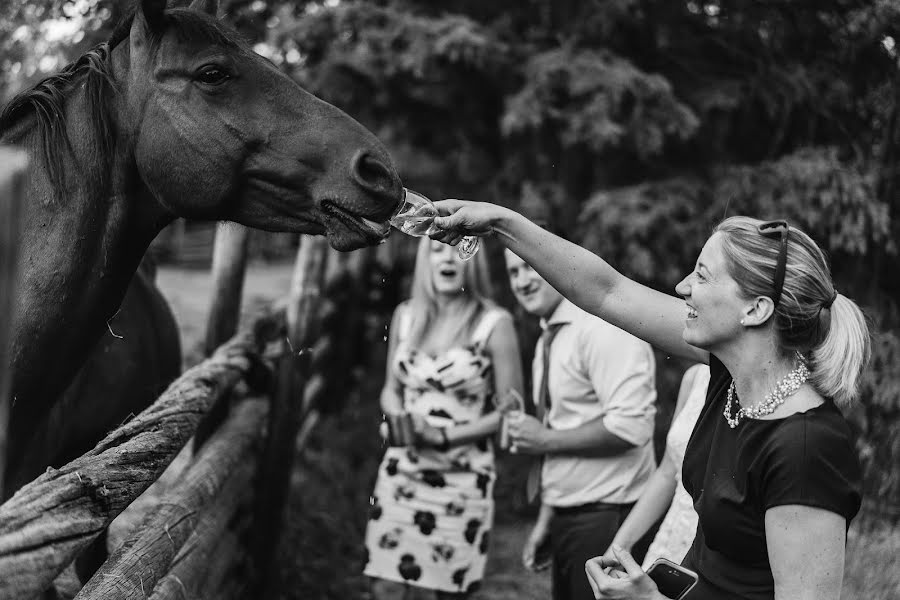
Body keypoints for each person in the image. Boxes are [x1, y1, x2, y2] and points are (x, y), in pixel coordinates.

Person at [429, 204, 868, 600]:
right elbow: (607, 292)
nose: (681, 287)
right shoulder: (728, 378)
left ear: (754, 311)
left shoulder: (806, 447)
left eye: (702, 275)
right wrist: (501, 223)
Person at [363, 237, 524, 599]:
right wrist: (397, 416)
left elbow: (512, 411)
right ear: (425, 260)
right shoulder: (405, 315)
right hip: (401, 473)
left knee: (449, 588)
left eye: (457, 249)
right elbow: (391, 388)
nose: (446, 257)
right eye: (436, 248)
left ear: (473, 263)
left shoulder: (494, 323)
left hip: (462, 480)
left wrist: (443, 436)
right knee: (385, 587)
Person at [503, 244, 658, 600]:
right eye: (514, 272)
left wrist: (542, 440)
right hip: (570, 514)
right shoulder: (553, 335)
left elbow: (630, 427)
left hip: (610, 519)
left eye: (529, 267)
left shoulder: (603, 328)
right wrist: (548, 519)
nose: (522, 280)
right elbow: (562, 424)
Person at [603, 363, 710, 570]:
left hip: (712, 554)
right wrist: (619, 547)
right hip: (669, 543)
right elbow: (668, 473)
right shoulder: (696, 377)